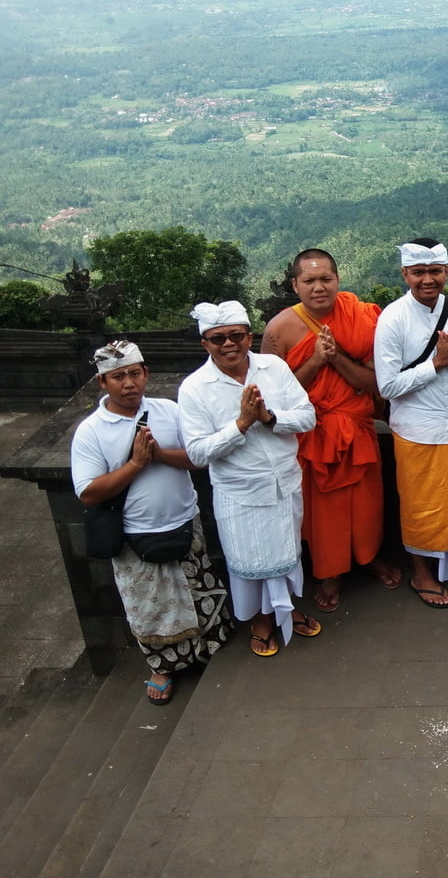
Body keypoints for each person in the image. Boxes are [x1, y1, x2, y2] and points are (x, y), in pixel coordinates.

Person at [71, 341, 232, 704]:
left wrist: (159, 454)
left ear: (145, 374)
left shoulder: (169, 411)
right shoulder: (91, 431)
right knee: (151, 606)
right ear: (102, 383)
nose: (128, 383)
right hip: (133, 536)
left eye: (134, 373)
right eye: (118, 377)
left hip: (184, 522)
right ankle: (163, 666)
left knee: (196, 591)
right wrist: (136, 465)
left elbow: (197, 457)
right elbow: (88, 492)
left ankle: (206, 648)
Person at [260, 248, 401, 613]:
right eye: (309, 280)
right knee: (323, 512)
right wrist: (317, 359)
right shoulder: (279, 329)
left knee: (368, 503)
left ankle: (370, 557)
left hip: (356, 426)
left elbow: (375, 383)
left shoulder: (363, 317)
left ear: (338, 279)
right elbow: (276, 395)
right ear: (295, 284)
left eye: (326, 279)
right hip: (314, 434)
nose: (318, 287)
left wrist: (336, 356)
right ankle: (330, 572)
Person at [179, 301, 320, 657]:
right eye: (218, 338)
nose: (228, 344)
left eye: (236, 336)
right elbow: (197, 453)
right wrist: (241, 424)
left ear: (249, 336)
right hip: (239, 492)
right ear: (205, 344)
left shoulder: (273, 368)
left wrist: (269, 417)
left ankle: (284, 609)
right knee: (252, 561)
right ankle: (261, 620)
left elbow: (307, 416)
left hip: (284, 482)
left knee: (287, 552)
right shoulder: (195, 387)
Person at [374, 238, 448, 609]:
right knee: (421, 505)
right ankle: (421, 572)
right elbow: (387, 385)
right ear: (405, 273)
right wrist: (435, 363)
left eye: (434, 271)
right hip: (417, 427)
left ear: (447, 272)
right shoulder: (392, 318)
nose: (427, 280)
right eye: (418, 272)